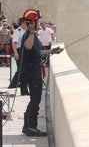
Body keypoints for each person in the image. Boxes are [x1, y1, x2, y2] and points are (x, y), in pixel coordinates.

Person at [20, 8, 63, 137]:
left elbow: (37, 52)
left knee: (34, 99)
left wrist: (51, 52)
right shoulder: (28, 35)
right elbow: (28, 46)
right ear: (32, 23)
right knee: (35, 100)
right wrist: (32, 31)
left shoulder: (33, 36)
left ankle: (26, 127)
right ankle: (32, 128)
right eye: (37, 21)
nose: (39, 24)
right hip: (32, 71)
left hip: (34, 70)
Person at [8, 18, 29, 95]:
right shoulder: (18, 31)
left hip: (26, 52)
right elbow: (14, 43)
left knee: (24, 72)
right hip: (19, 51)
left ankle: (24, 91)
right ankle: (12, 85)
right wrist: (16, 53)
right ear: (23, 22)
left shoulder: (26, 31)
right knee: (21, 70)